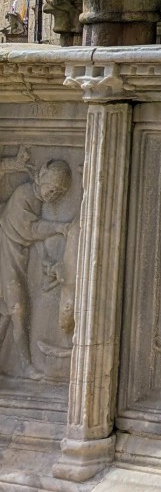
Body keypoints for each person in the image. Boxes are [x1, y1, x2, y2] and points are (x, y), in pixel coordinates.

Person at [0, 156, 72, 379]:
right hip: (5, 257)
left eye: (57, 193)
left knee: (6, 313)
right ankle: (26, 365)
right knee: (17, 309)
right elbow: (29, 230)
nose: (51, 195)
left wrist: (46, 261)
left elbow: (33, 239)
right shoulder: (24, 194)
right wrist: (60, 227)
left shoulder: (36, 201)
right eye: (50, 188)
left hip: (16, 259)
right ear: (41, 176)